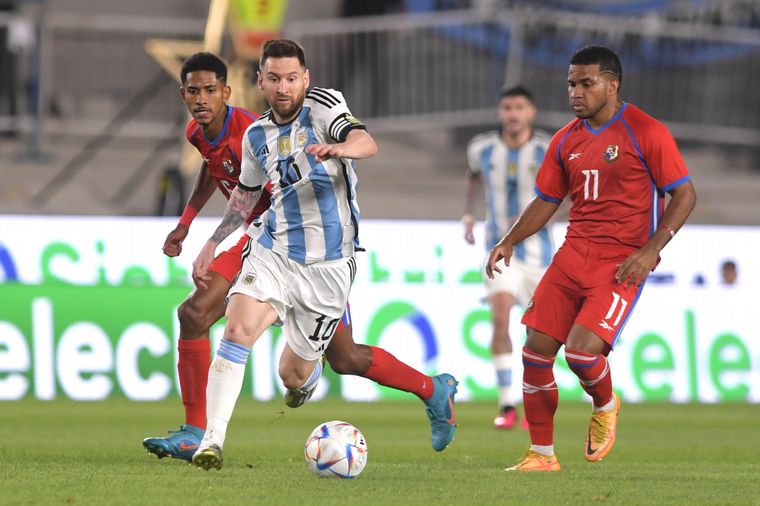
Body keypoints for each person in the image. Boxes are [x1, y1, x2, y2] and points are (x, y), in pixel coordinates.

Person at [142, 50, 459, 464]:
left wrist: (340, 149)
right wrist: (206, 237)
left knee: (333, 362)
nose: (283, 87)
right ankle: (206, 438)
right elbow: (236, 187)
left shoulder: (319, 108)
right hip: (270, 245)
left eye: (291, 78)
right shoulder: (252, 134)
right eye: (274, 78)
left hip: (326, 263)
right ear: (261, 81)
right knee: (218, 322)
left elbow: (365, 141)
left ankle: (432, 389)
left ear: (305, 79)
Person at [486, 45, 696, 472]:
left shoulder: (646, 131)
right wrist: (509, 240)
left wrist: (650, 250)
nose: (576, 93)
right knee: (535, 353)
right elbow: (547, 200)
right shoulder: (566, 140)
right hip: (572, 255)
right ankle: (542, 455)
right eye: (571, 84)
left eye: (587, 83)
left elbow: (685, 195)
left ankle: (604, 403)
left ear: (612, 85)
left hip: (621, 263)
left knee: (581, 355)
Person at [463, 85, 553, 430]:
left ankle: (534, 404)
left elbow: (567, 194)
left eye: (519, 108)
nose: (513, 114)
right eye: (507, 108)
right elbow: (472, 177)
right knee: (500, 321)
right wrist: (468, 216)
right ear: (500, 112)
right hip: (499, 253)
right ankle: (507, 404)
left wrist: (542, 219)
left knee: (537, 336)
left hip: (540, 257)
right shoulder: (481, 148)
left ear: (531, 112)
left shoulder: (548, 149)